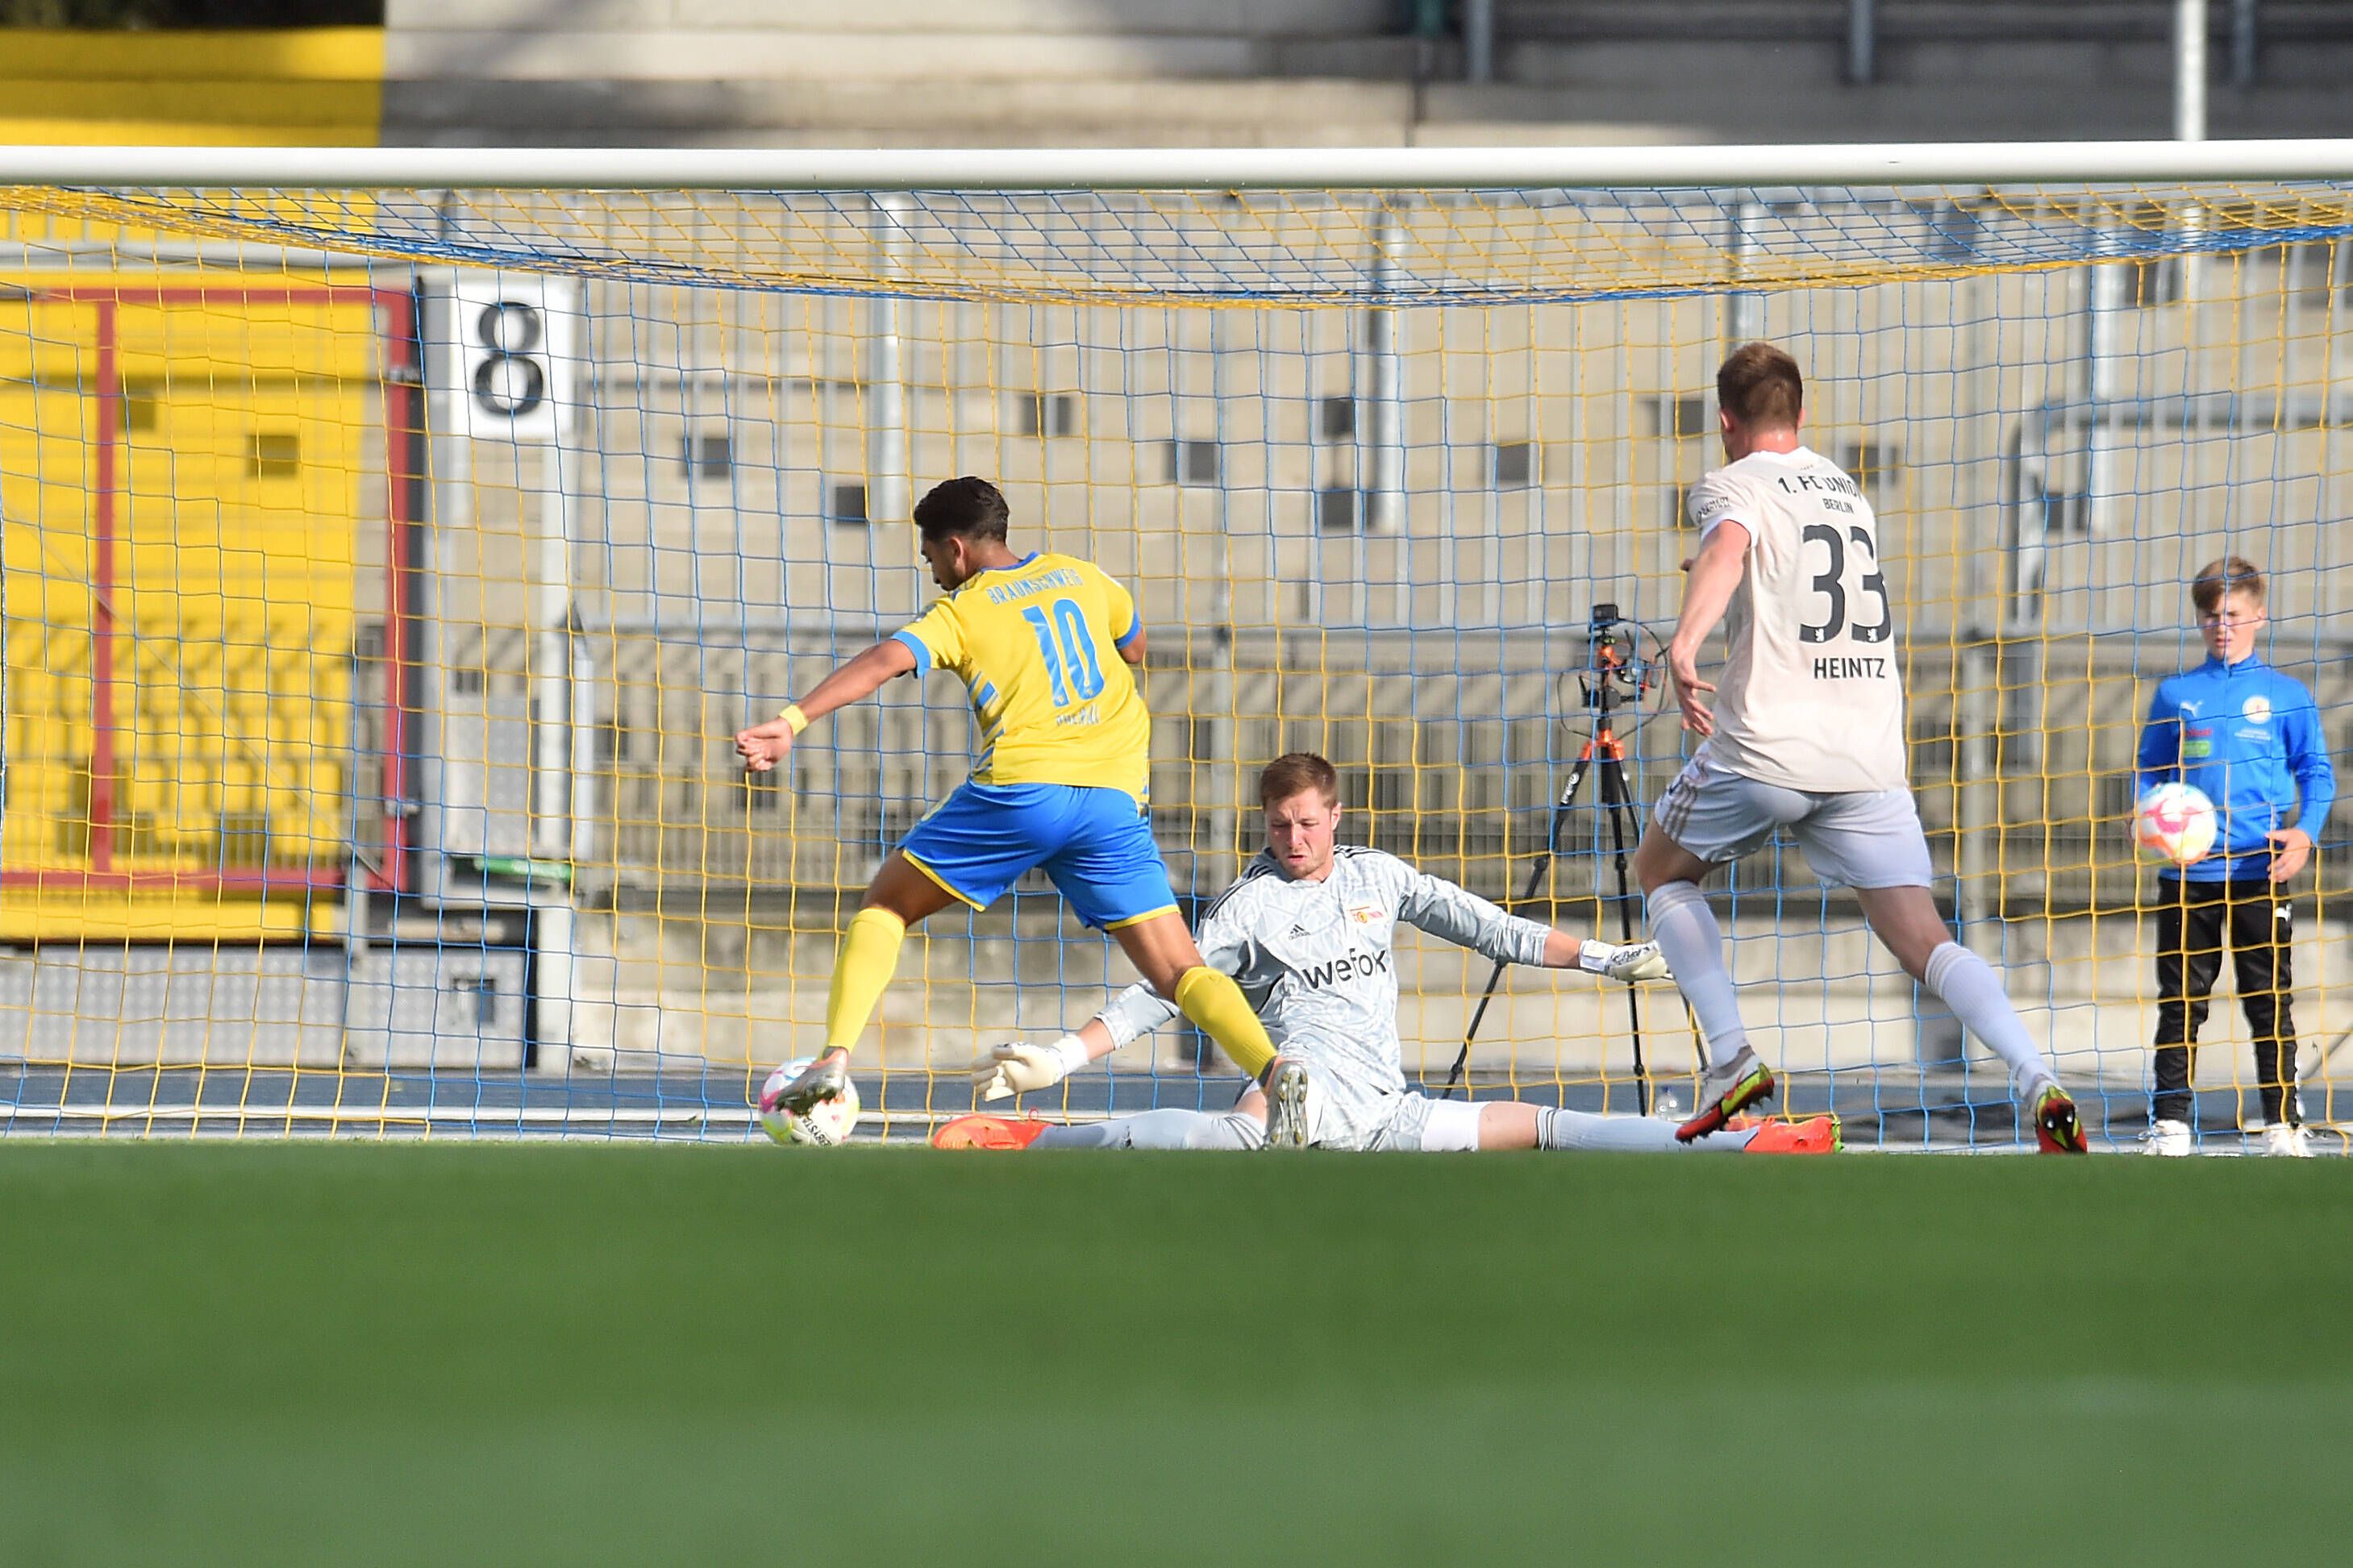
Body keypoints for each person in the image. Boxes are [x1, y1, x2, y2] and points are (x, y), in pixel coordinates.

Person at [734, 476, 1303, 1141]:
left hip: (1024, 792)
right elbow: (1136, 646)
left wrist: (792, 720)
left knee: (886, 903)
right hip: (1113, 799)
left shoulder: (963, 610)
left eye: (930, 558)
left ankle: (834, 1058)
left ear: (956, 549)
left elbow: (887, 659)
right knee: (1181, 970)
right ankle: (1274, 1069)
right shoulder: (1084, 576)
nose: (933, 571)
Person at [1630, 342, 2088, 1153]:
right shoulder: (1843, 490)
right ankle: (2033, 1074)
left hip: (1768, 748)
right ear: (1800, 416)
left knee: (1659, 872)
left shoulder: (1731, 483)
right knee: (1924, 938)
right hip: (1868, 751)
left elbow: (1727, 548)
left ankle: (1731, 1058)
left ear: (1726, 423)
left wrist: (1683, 641)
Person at [931, 752, 1841, 1154]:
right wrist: (1057, 1057)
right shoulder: (1245, 908)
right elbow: (1161, 992)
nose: (1293, 837)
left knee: (1547, 1127)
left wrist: (1609, 959)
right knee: (1241, 1133)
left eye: (1306, 822)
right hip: (1303, 1098)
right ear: (1266, 823)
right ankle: (1038, 1139)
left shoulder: (1381, 878)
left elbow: (1496, 928)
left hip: (1389, 1112)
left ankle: (1742, 1136)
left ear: (1335, 817)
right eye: (1278, 824)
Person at [2134, 556, 2335, 1158]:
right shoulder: (2177, 694)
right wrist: (2144, 811)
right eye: (2210, 617)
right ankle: (2171, 1122)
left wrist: (2306, 834)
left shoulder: (2285, 695)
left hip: (2259, 869)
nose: (2221, 627)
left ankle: (2282, 1121)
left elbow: (2316, 772)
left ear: (2258, 616)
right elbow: (2149, 767)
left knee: (2268, 998)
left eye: (2232, 616)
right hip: (2189, 872)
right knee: (2182, 1001)